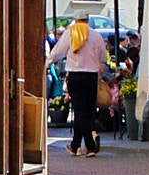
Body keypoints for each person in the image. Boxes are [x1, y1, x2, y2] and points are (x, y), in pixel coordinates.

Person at [46, 15, 108, 156]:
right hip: (91, 76)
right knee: (87, 109)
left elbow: (57, 51)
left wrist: (47, 63)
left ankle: (90, 146)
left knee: (79, 110)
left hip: (75, 75)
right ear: (87, 20)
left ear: (76, 20)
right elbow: (104, 57)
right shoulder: (96, 35)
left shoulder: (70, 33)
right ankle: (75, 145)